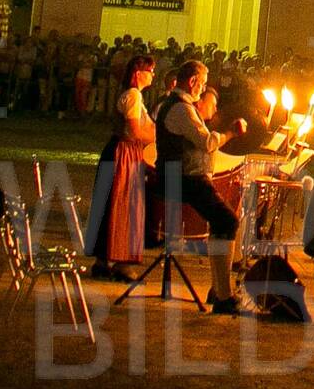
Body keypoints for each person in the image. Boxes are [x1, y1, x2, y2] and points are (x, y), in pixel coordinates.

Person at [152, 60, 250, 312]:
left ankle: (220, 289)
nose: (204, 88)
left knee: (223, 222)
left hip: (185, 176)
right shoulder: (180, 109)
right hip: (182, 178)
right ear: (193, 81)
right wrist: (230, 133)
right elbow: (206, 142)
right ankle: (223, 295)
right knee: (227, 221)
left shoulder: (181, 106)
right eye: (203, 83)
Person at [87, 53, 157, 275]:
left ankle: (103, 260)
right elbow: (134, 131)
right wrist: (155, 137)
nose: (153, 75)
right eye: (150, 71)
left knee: (114, 203)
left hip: (124, 152)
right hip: (124, 153)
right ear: (138, 73)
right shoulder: (133, 96)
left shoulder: (135, 96)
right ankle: (120, 260)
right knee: (123, 204)